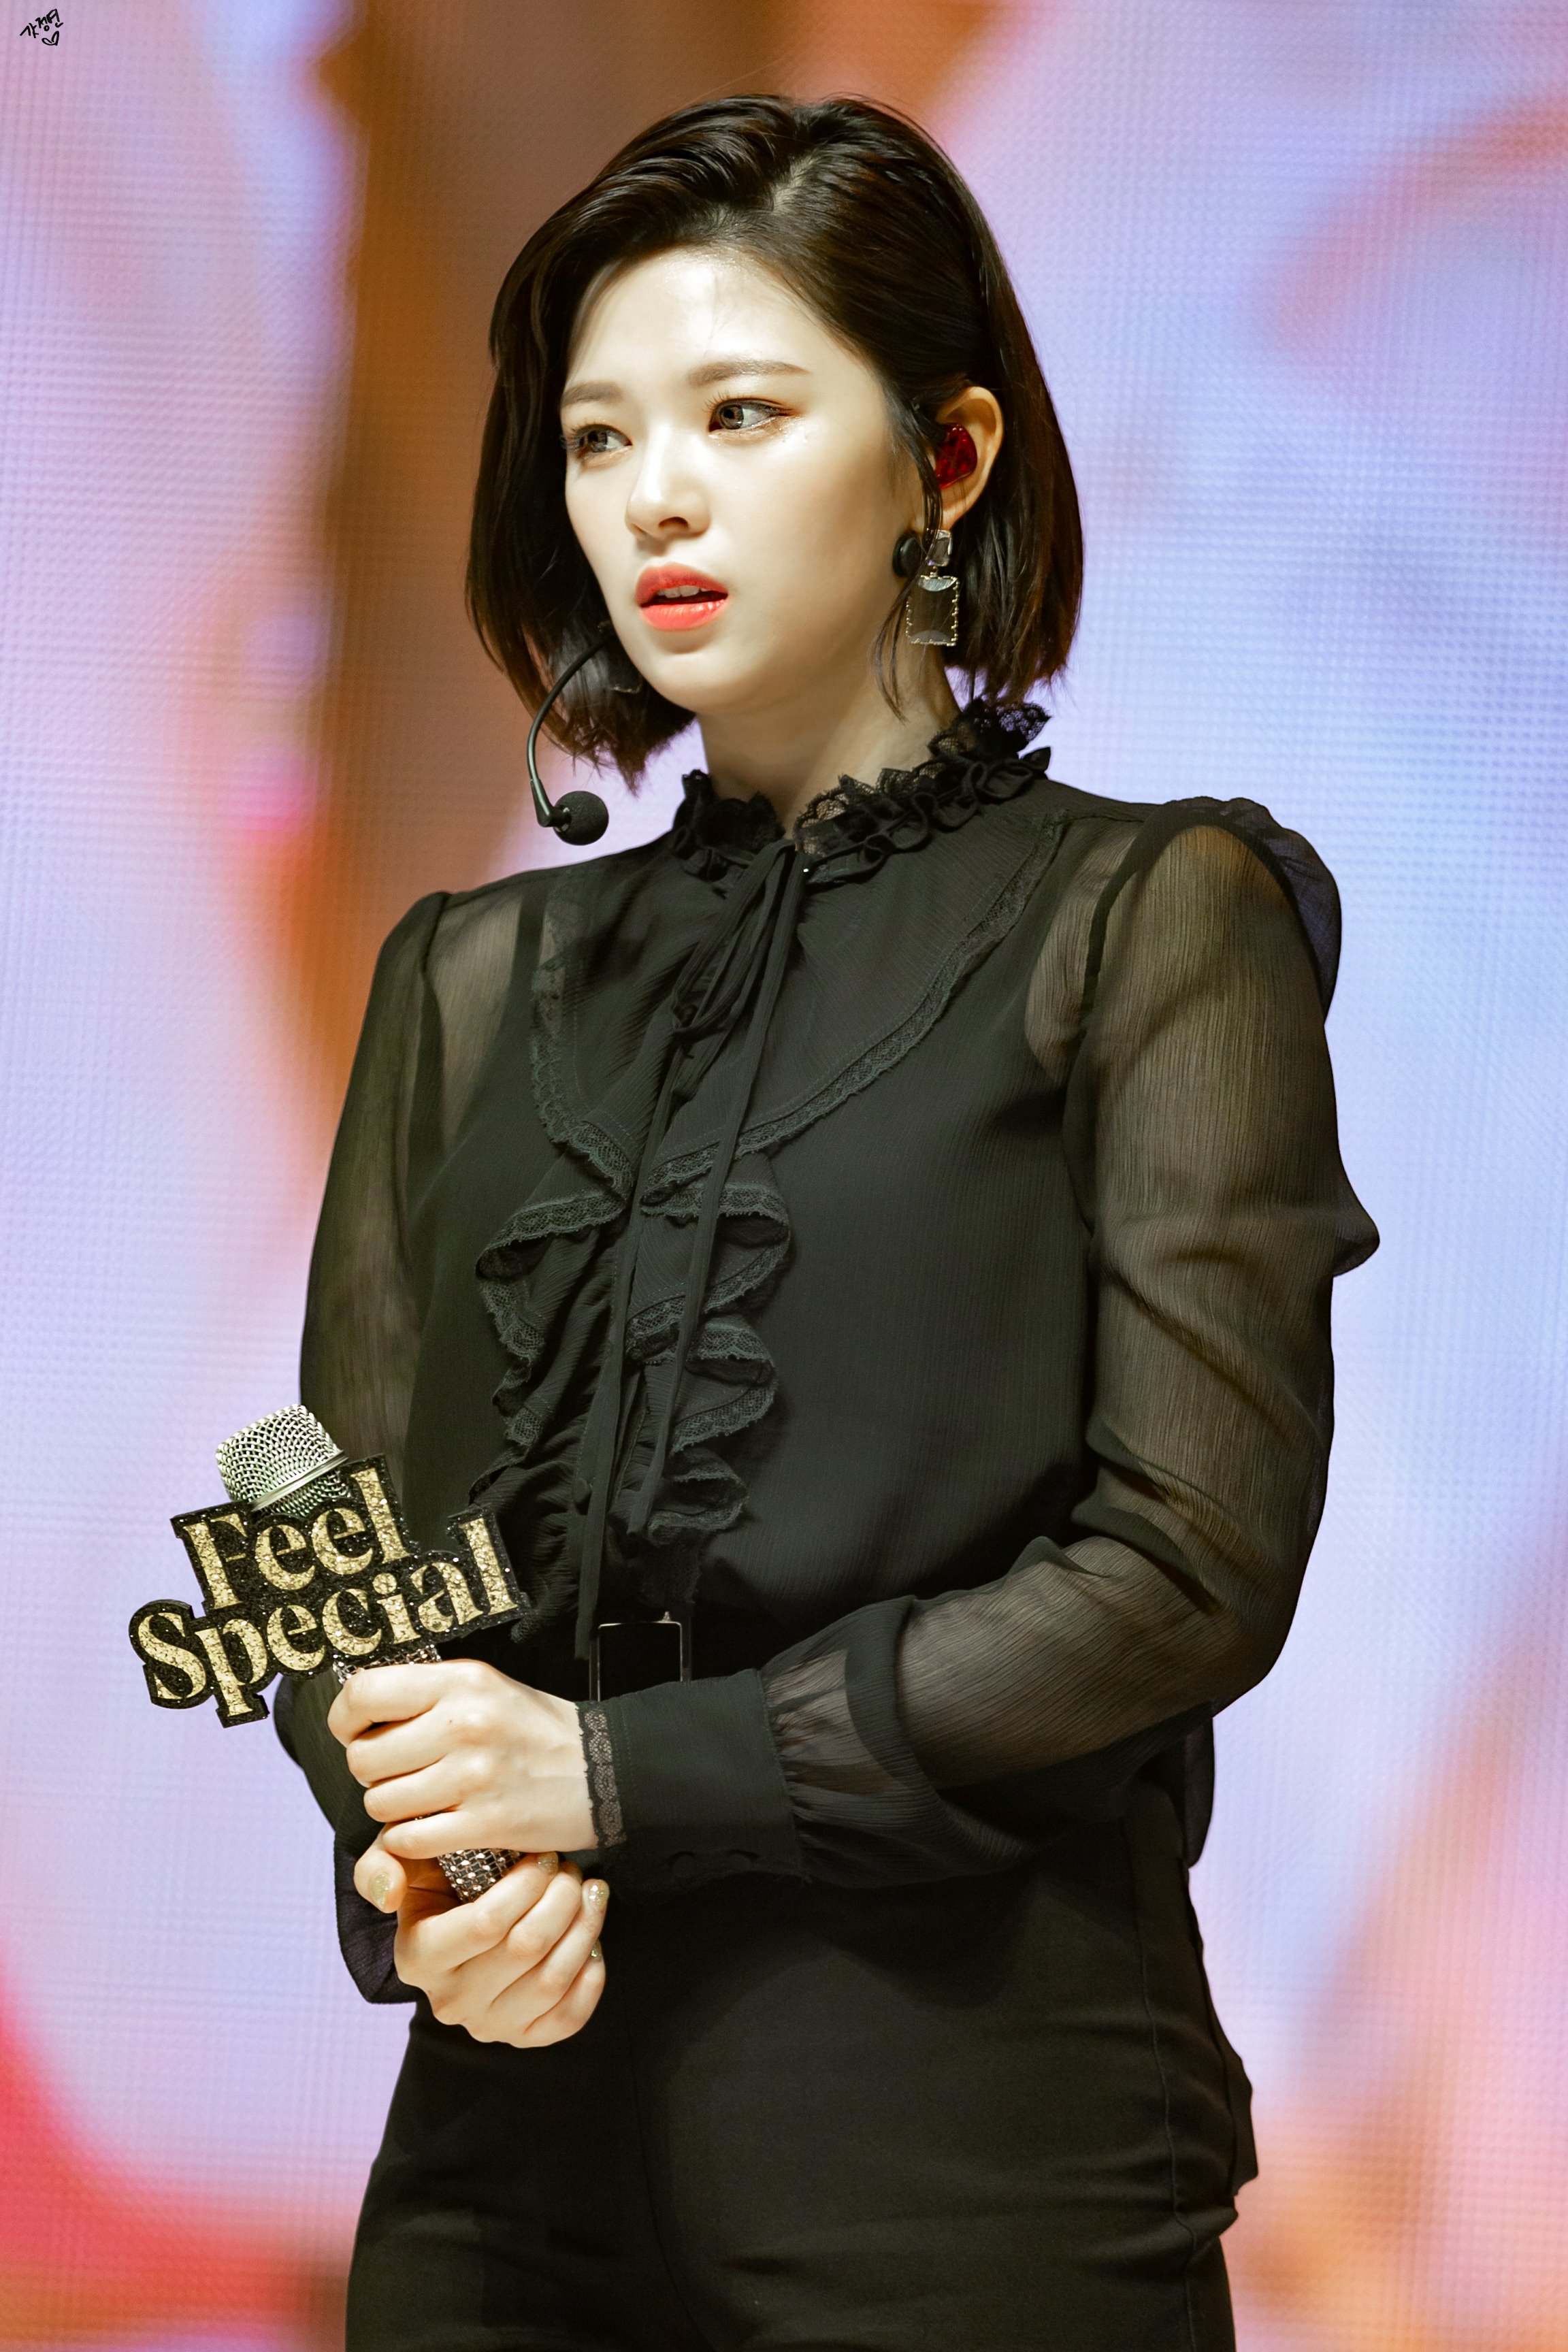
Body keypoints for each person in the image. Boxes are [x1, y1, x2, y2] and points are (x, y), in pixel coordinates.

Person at [276, 93, 1378, 2351]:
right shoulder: (466, 979)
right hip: (499, 2164)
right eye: (598, 440)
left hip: (968, 2153)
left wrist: (613, 1774)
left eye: (741, 415)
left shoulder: (1155, 916)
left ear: (945, 461)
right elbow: (329, 1533)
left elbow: (1186, 1571)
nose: (653, 497)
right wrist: (428, 1877)